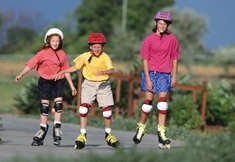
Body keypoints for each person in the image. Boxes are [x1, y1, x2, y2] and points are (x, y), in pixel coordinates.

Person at [52, 32, 121, 149]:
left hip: (103, 84)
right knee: (83, 108)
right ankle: (82, 134)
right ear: (90, 47)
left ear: (103, 47)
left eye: (99, 46)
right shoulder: (85, 56)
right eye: (94, 47)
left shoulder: (105, 57)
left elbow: (112, 70)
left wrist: (103, 72)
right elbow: (76, 67)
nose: (97, 49)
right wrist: (63, 72)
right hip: (89, 83)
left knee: (107, 111)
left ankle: (108, 135)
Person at [15, 28, 77, 147]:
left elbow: (66, 71)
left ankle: (57, 127)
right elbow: (31, 65)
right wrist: (21, 74)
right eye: (53, 41)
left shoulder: (62, 54)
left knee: (58, 104)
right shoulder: (42, 53)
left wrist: (72, 85)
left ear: (60, 42)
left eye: (57, 41)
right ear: (48, 41)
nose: (55, 43)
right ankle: (42, 130)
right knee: (45, 106)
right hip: (45, 81)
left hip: (58, 80)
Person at [132, 11, 180, 149]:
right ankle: (141, 128)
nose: (162, 26)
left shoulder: (172, 39)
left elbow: (175, 58)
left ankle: (161, 133)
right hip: (150, 73)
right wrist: (147, 78)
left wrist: (174, 76)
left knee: (162, 104)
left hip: (165, 74)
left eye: (165, 24)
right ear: (156, 23)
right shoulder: (148, 40)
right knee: (147, 104)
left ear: (168, 25)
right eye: (160, 23)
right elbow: (145, 60)